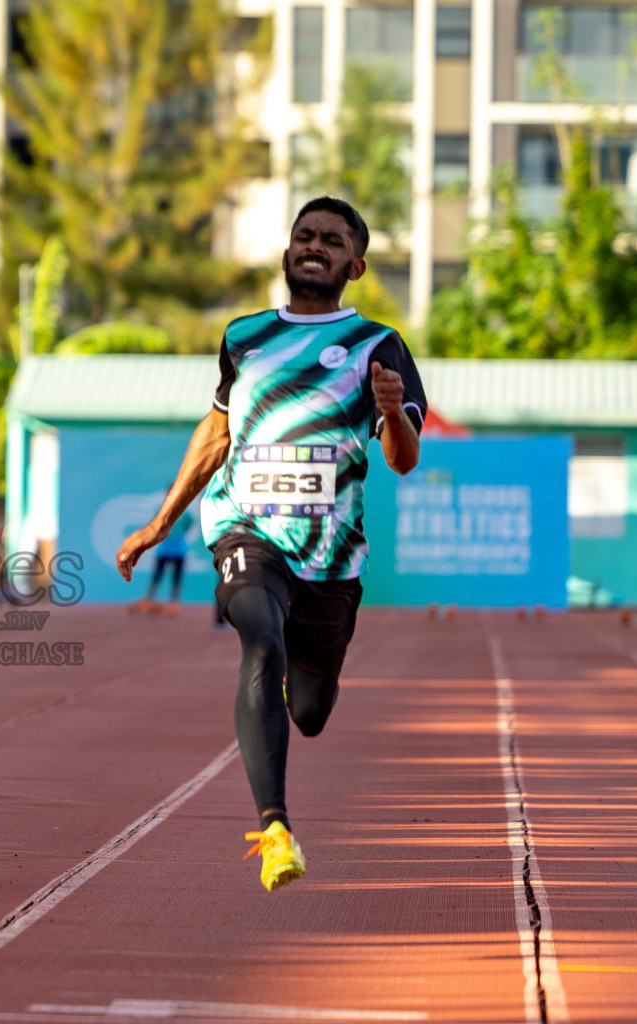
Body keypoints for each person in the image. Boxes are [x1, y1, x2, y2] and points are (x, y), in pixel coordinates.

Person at [116, 197, 426, 893]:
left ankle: (305, 676)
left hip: (330, 554)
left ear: (356, 264)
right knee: (260, 639)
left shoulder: (380, 345)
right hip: (245, 527)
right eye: (304, 235)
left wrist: (389, 412)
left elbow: (402, 458)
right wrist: (161, 522)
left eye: (332, 240)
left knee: (310, 711)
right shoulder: (245, 336)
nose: (314, 246)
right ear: (288, 253)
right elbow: (217, 432)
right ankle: (276, 827)